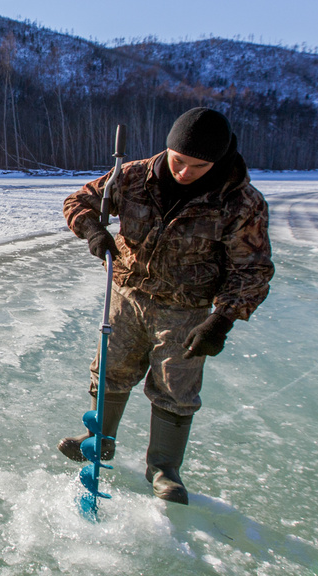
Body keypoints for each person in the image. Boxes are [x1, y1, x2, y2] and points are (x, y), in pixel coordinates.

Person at [59, 107, 274, 504]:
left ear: (219, 160)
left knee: (176, 390)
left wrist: (222, 320)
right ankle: (98, 440)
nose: (184, 172)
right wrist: (92, 229)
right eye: (178, 161)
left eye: (198, 165)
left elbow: (252, 269)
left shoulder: (241, 202)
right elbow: (79, 200)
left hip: (186, 308)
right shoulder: (134, 176)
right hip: (126, 295)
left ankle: (163, 468)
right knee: (110, 370)